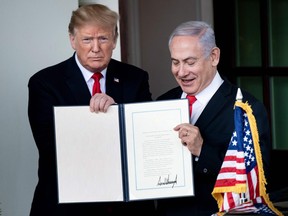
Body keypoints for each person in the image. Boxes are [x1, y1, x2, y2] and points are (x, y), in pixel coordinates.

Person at [28, 4, 155, 216]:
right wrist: (108, 122)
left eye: (103, 39)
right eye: (87, 39)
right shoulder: (45, 83)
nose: (95, 48)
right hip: (67, 206)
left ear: (114, 40)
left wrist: (117, 111)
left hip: (127, 206)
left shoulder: (136, 78)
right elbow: (51, 147)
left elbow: (147, 138)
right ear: (72, 40)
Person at [155, 21, 272, 215]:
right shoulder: (163, 101)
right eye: (175, 62)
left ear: (214, 57)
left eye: (190, 62)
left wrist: (202, 150)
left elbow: (258, 181)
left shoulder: (246, 108)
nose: (181, 72)